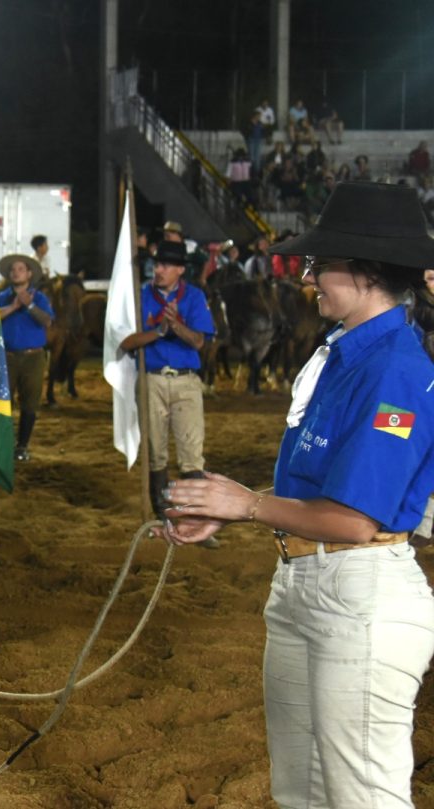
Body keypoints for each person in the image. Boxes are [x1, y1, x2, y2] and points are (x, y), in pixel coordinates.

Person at [160, 182, 434, 808]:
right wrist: (230, 508)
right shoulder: (343, 353)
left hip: (360, 598)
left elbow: (358, 520)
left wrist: (245, 504)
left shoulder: (395, 367)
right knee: (302, 793)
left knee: (361, 797)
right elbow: (324, 492)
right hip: (309, 587)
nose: (307, 277)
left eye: (319, 264)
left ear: (364, 271)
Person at [117, 240, 216, 544]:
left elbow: (200, 341)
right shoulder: (140, 297)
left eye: (164, 265)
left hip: (186, 380)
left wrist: (176, 327)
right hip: (152, 379)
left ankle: (194, 520)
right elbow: (126, 343)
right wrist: (158, 331)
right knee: (156, 451)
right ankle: (163, 516)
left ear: (179, 271)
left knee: (191, 455)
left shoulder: (195, 297)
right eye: (156, 264)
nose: (157, 270)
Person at [0, 253, 53, 462]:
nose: (16, 272)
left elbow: (47, 321)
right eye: (13, 270)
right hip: (7, 357)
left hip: (33, 358)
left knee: (30, 402)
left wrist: (29, 305)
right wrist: (14, 307)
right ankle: (5, 443)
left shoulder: (39, 298)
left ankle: (22, 445)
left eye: (20, 269)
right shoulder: (1, 297)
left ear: (29, 274)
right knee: (4, 402)